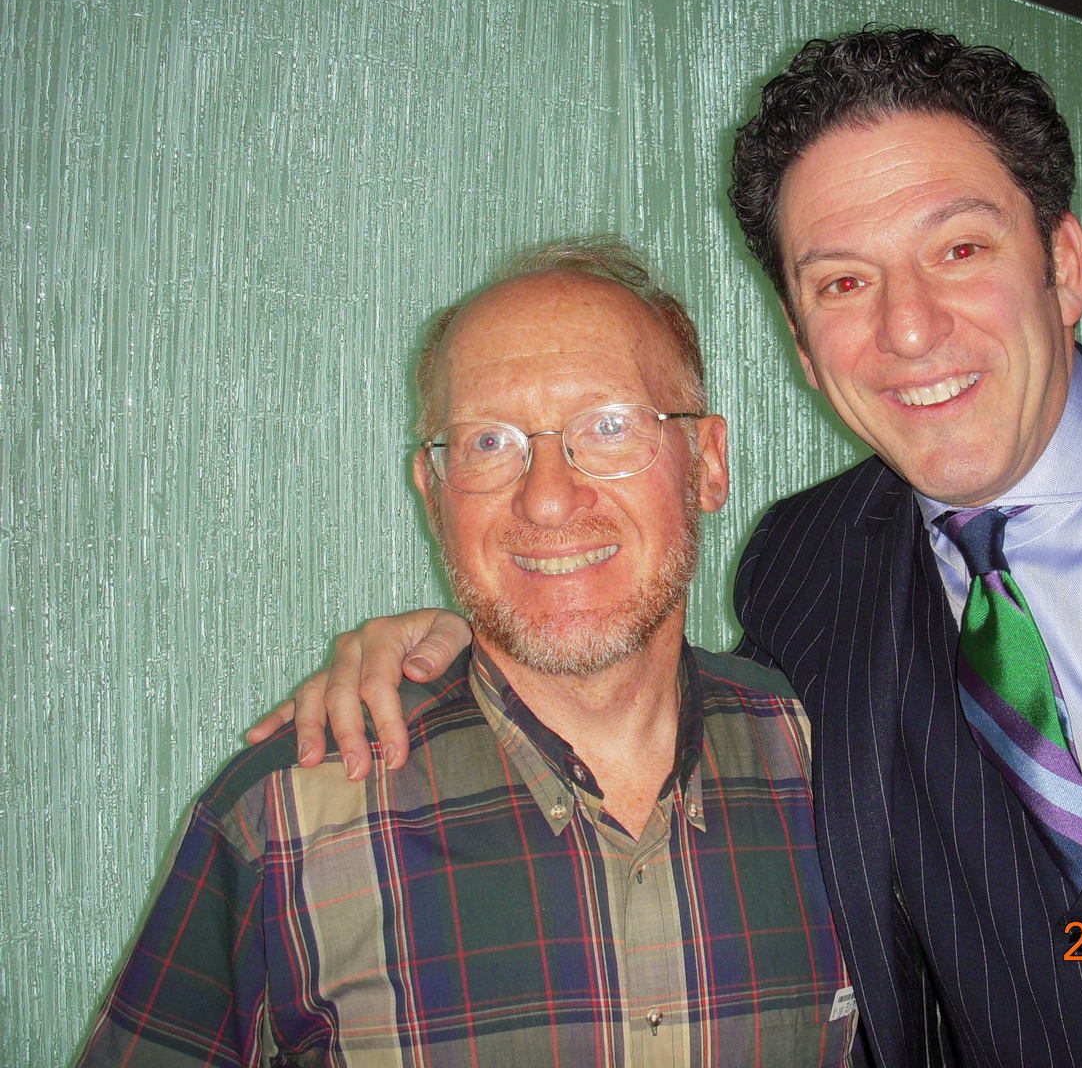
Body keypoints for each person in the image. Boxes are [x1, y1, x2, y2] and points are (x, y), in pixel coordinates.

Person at [256, 32, 1082, 1066]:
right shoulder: (802, 567)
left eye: (959, 248)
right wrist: (466, 648)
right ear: (801, 344)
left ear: (1062, 265)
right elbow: (668, 707)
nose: (907, 330)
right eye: (842, 281)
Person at [81, 239, 857, 1065]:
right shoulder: (281, 820)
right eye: (489, 442)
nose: (547, 498)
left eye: (608, 426)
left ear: (706, 463)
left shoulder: (839, 764)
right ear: (434, 495)